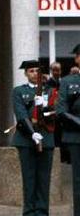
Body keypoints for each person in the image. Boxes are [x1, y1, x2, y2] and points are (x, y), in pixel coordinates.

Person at [12, 59, 56, 216]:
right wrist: (32, 133)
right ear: (25, 73)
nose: (35, 74)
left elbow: (56, 113)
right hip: (26, 139)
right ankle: (29, 212)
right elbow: (21, 115)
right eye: (31, 71)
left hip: (46, 138)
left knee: (44, 180)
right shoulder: (18, 91)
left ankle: (42, 211)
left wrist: (45, 107)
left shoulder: (50, 91)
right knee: (29, 179)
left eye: (37, 71)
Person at [55, 44, 80, 215]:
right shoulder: (67, 82)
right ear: (77, 59)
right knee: (78, 181)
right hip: (76, 137)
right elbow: (61, 111)